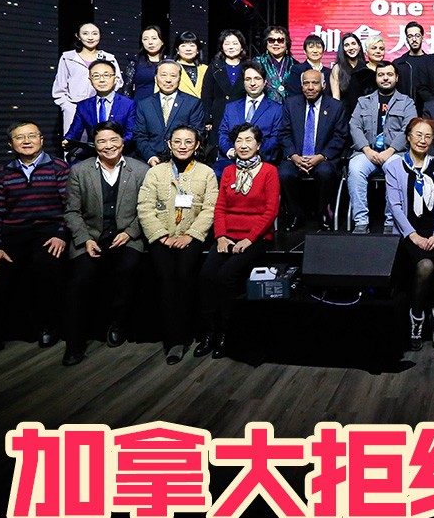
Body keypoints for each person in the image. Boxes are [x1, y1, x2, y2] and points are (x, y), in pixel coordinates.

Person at [0, 121, 70, 365]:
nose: (27, 141)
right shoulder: (1, 174)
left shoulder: (59, 168)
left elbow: (70, 206)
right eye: (20, 137)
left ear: (41, 140)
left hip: (48, 231)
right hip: (14, 234)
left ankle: (49, 327)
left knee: (48, 266)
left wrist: (61, 234)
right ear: (11, 144)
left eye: (32, 136)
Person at [60, 122, 150, 365]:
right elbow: (71, 212)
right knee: (79, 279)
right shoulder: (80, 171)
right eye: (101, 141)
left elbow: (147, 210)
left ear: (122, 142)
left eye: (113, 140)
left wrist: (130, 232)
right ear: (94, 144)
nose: (108, 146)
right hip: (91, 237)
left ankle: (118, 323)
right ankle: (74, 344)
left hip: (126, 237)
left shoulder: (140, 170)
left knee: (128, 269)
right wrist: (85, 239)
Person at [195, 123, 280, 359]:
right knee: (205, 276)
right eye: (239, 141)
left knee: (226, 276)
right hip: (227, 234)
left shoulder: (269, 171)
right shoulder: (228, 171)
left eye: (248, 140)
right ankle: (208, 333)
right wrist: (220, 236)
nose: (243, 145)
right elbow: (220, 207)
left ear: (258, 145)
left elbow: (270, 211)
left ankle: (225, 334)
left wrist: (249, 239)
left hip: (256, 236)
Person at [136, 125, 219, 364]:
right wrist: (161, 236)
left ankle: (189, 332)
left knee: (184, 276)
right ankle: (174, 341)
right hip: (162, 237)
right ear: (169, 144)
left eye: (188, 142)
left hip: (190, 237)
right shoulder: (156, 172)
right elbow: (144, 207)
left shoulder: (206, 173)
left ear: (197, 145)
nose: (183, 146)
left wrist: (190, 235)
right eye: (178, 141)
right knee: (166, 279)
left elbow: (210, 209)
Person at [385, 118, 434, 351]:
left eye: (428, 136)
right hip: (409, 233)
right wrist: (413, 235)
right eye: (418, 135)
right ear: (408, 136)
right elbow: (395, 207)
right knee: (425, 266)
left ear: (432, 140)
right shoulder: (394, 167)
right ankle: (416, 317)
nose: (423, 140)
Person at [347, 62, 416, 232]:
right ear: (376, 78)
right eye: (381, 75)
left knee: (395, 168)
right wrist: (366, 149)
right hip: (366, 152)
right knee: (355, 169)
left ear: (396, 78)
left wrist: (390, 151)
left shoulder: (407, 102)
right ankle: (361, 221)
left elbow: (409, 129)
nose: (385, 78)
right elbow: (354, 126)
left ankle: (391, 221)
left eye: (389, 74)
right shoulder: (363, 101)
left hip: (395, 153)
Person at [277, 67, 349, 229]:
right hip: (296, 156)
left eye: (315, 83)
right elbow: (284, 133)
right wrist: (294, 156)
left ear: (323, 85)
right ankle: (295, 214)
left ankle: (322, 212)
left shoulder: (335, 107)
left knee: (325, 172)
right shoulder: (291, 104)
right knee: (284, 174)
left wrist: (321, 156)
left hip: (323, 157)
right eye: (306, 83)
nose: (310, 87)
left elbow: (340, 136)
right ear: (301, 86)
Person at [52, 22, 123, 139]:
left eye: (94, 33)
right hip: (74, 107)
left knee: (102, 140)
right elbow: (60, 85)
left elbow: (118, 82)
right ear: (78, 36)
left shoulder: (109, 58)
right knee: (74, 143)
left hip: (101, 108)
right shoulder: (68, 58)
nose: (90, 37)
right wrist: (66, 106)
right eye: (85, 33)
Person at [216, 61, 284, 177]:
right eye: (248, 79)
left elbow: (276, 138)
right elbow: (223, 133)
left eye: (257, 78)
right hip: (232, 160)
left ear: (265, 82)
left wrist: (252, 152)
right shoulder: (231, 107)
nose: (252, 83)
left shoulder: (277, 109)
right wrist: (230, 151)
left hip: (262, 160)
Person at [134, 60, 207, 166]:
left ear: (180, 78)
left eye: (173, 76)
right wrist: (150, 156)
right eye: (163, 75)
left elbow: (197, 133)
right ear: (156, 78)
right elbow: (140, 135)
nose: (168, 80)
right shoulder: (144, 104)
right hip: (151, 159)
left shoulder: (193, 103)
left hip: (183, 160)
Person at [61, 58, 136, 158]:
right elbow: (73, 133)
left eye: (106, 75)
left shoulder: (128, 104)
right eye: (96, 76)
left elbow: (131, 134)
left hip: (121, 154)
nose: (102, 80)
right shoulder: (83, 106)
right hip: (93, 155)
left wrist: (114, 144)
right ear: (90, 80)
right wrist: (67, 140)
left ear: (115, 79)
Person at [204, 29, 249, 140]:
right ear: (222, 47)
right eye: (227, 44)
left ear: (241, 47)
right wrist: (208, 119)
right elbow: (206, 94)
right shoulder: (214, 66)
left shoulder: (248, 66)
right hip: (219, 115)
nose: (231, 47)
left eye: (235, 43)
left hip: (243, 115)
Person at [329, 32, 374, 119]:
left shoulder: (366, 67)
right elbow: (336, 99)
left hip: (365, 115)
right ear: (343, 49)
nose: (351, 48)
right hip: (345, 115)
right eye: (347, 45)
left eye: (353, 44)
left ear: (359, 46)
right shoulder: (338, 68)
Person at [259, 26, 300, 104]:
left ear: (286, 43)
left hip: (290, 107)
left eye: (280, 40)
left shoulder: (295, 65)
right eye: (271, 40)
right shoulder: (257, 63)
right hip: (265, 106)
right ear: (266, 43)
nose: (276, 43)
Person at [126, 25, 168, 99]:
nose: (150, 42)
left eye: (154, 38)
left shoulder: (170, 62)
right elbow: (127, 87)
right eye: (145, 39)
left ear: (162, 41)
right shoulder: (135, 61)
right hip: (140, 102)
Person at [172, 30, 208, 106]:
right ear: (177, 50)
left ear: (197, 50)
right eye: (183, 45)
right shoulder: (170, 68)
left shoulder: (206, 69)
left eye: (192, 45)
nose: (188, 49)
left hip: (202, 110)